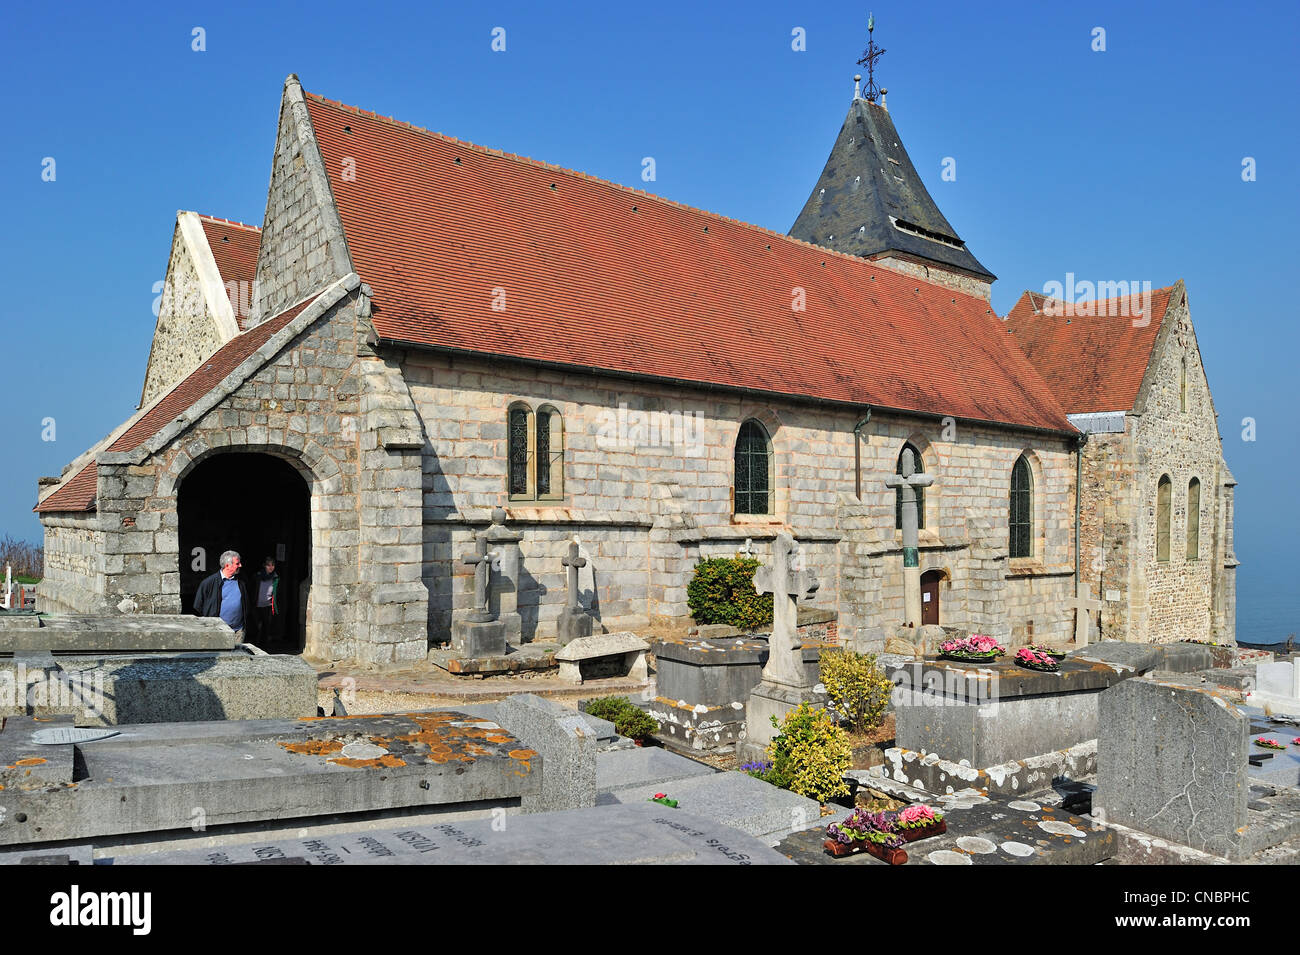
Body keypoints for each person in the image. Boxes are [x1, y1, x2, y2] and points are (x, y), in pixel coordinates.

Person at [194, 550, 249, 639]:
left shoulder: (242, 582)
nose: (240, 565)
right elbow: (198, 606)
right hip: (217, 632)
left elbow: (246, 604)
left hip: (238, 631)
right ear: (227, 565)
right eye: (237, 563)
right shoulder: (209, 583)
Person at [254, 556, 280, 645]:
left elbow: (276, 593)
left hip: (268, 606)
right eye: (268, 565)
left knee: (266, 626)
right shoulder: (258, 576)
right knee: (257, 626)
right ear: (264, 566)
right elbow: (253, 590)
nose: (271, 567)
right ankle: (256, 643)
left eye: (273, 565)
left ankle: (265, 645)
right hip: (257, 605)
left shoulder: (275, 578)